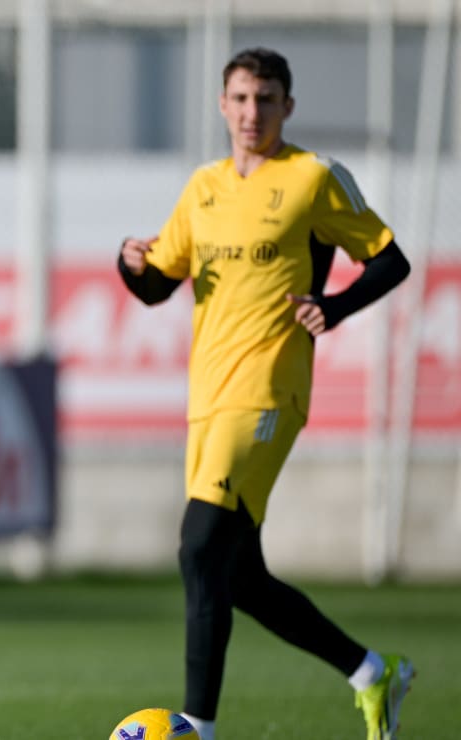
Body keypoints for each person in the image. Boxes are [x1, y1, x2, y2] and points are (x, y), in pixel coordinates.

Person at [116, 48, 413, 740]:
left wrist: (333, 309)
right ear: (223, 105)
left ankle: (196, 728)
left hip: (270, 389)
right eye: (243, 99)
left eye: (268, 99)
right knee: (237, 575)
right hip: (208, 398)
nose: (254, 113)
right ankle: (374, 672)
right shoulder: (204, 188)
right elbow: (160, 283)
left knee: (196, 549)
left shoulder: (313, 179)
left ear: (288, 107)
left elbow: (390, 258)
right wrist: (130, 265)